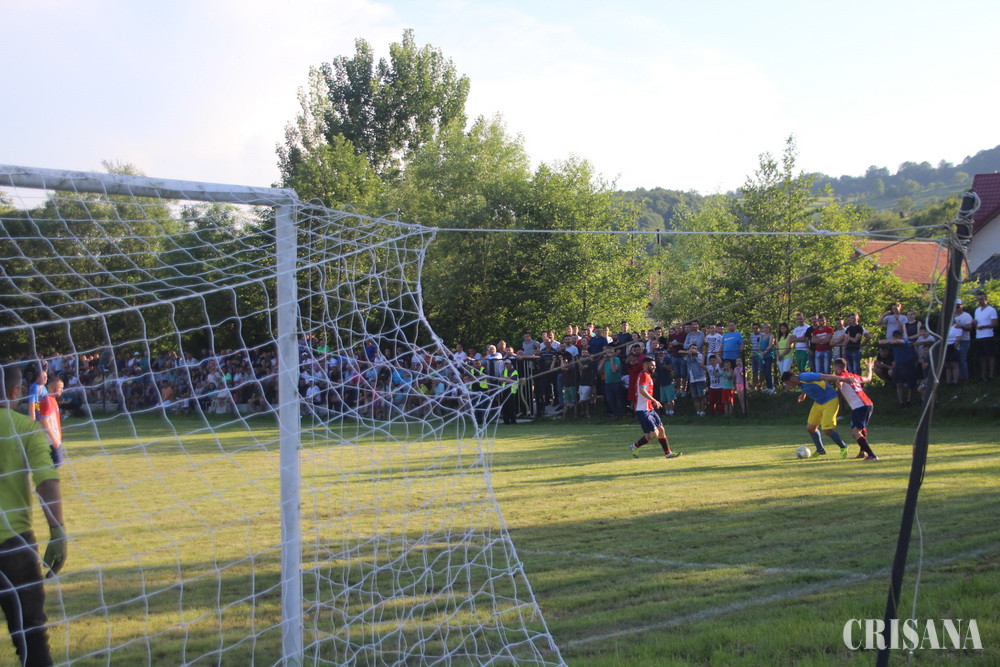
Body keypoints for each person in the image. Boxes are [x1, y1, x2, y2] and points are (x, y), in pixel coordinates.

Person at [0, 363, 67, 666]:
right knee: (32, 640)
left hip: (15, 546)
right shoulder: (26, 428)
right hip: (15, 547)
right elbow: (46, 480)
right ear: (15, 391)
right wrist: (57, 531)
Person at [780, 369, 850, 458]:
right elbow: (806, 386)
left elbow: (825, 376)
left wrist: (844, 379)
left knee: (828, 430)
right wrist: (803, 394)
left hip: (830, 400)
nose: (788, 386)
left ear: (792, 379)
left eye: (788, 383)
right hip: (818, 403)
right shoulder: (799, 382)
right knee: (810, 428)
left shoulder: (806, 376)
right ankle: (820, 450)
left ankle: (843, 447)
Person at [821, 358, 879, 461]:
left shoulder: (840, 376)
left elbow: (840, 383)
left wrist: (839, 383)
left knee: (855, 432)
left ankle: (872, 455)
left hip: (860, 405)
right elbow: (868, 378)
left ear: (835, 367)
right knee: (858, 430)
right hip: (863, 405)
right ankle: (862, 452)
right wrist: (869, 368)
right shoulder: (853, 376)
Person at [627, 357, 680, 459]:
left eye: (655, 365)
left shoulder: (648, 375)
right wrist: (654, 400)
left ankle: (668, 453)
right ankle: (635, 446)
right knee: (653, 434)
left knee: (661, 430)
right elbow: (642, 391)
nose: (654, 367)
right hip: (642, 410)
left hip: (649, 409)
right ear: (646, 365)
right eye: (652, 365)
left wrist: (652, 402)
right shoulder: (644, 375)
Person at [37, 378, 64, 468]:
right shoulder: (49, 401)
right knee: (56, 462)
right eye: (60, 388)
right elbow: (44, 421)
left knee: (54, 463)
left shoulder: (51, 400)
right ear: (53, 388)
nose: (62, 390)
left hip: (53, 438)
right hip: (51, 439)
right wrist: (54, 438)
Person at [973, 290, 997, 382]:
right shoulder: (977, 310)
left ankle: (991, 375)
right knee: (982, 357)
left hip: (988, 335)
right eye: (978, 299)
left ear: (986, 299)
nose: (980, 301)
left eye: (982, 299)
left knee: (990, 356)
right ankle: (983, 376)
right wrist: (975, 323)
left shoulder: (991, 310)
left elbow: (995, 323)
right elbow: (976, 322)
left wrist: (984, 327)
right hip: (979, 336)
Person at [953, 299, 974, 382]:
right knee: (954, 360)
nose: (956, 308)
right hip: (953, 341)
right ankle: (957, 377)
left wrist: (961, 326)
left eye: (958, 306)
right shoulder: (952, 316)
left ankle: (964, 378)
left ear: (962, 306)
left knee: (962, 359)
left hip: (964, 340)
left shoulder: (966, 316)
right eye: (955, 306)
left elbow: (970, 328)